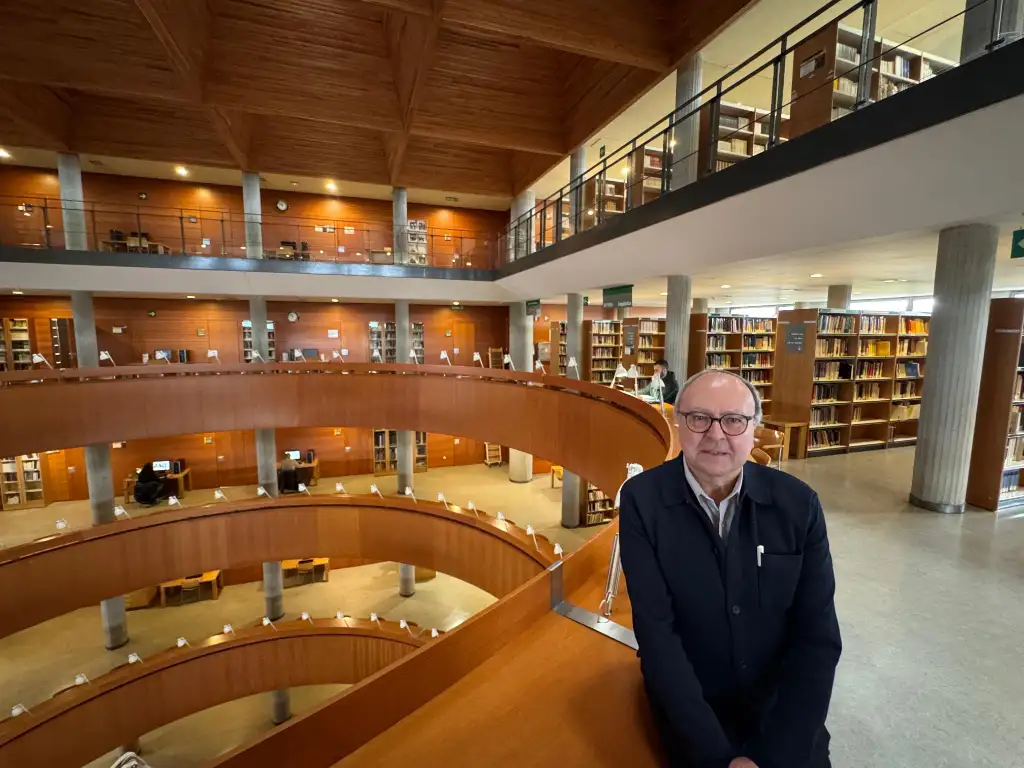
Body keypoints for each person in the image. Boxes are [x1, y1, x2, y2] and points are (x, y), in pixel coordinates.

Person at [619, 369, 841, 768]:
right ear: (678, 422)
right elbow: (657, 636)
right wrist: (717, 755)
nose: (716, 435)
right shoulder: (642, 501)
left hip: (783, 718)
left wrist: (777, 754)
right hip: (695, 718)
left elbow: (818, 638)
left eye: (734, 420)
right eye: (699, 418)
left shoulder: (798, 505)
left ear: (754, 428)